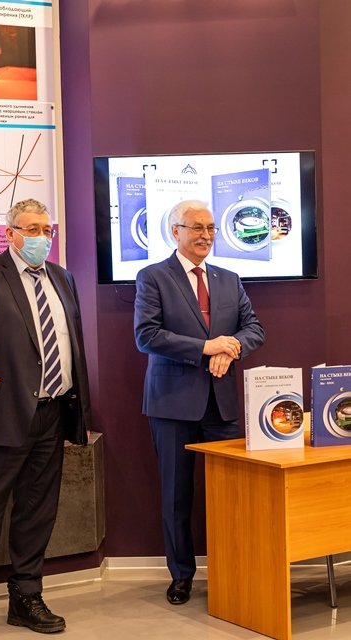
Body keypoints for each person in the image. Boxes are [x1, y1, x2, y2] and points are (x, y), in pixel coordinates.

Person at [0, 198, 91, 640]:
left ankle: (26, 597)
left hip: (51, 412)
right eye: (31, 229)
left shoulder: (63, 278)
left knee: (37, 512)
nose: (41, 238)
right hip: (0, 413)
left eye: (47, 230)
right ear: (10, 234)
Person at [134, 199, 265, 606]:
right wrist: (207, 348)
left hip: (221, 405)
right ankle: (181, 576)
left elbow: (254, 328)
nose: (206, 235)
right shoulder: (153, 277)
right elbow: (147, 335)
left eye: (211, 228)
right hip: (172, 404)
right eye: (196, 228)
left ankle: (231, 570)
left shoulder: (229, 278)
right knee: (177, 496)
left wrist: (231, 349)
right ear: (175, 231)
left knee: (231, 495)